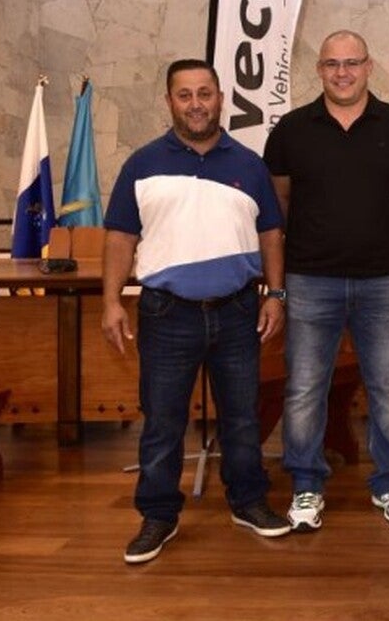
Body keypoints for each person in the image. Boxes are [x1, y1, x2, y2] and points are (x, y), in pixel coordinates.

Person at [103, 59, 292, 564]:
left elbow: (271, 234)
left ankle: (248, 502)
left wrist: (276, 295)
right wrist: (111, 301)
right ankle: (158, 516)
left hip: (237, 312)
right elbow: (120, 237)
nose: (196, 104)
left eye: (204, 93)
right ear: (169, 101)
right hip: (167, 314)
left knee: (243, 418)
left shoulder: (249, 165)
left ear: (220, 98)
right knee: (163, 422)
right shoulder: (141, 164)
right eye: (184, 95)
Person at [263, 31, 389, 529]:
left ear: (369, 66)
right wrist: (278, 282)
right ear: (319, 70)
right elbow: (278, 204)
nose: (342, 73)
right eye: (332, 64)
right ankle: (306, 487)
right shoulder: (292, 130)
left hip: (385, 280)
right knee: (304, 389)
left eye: (352, 62)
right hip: (310, 280)